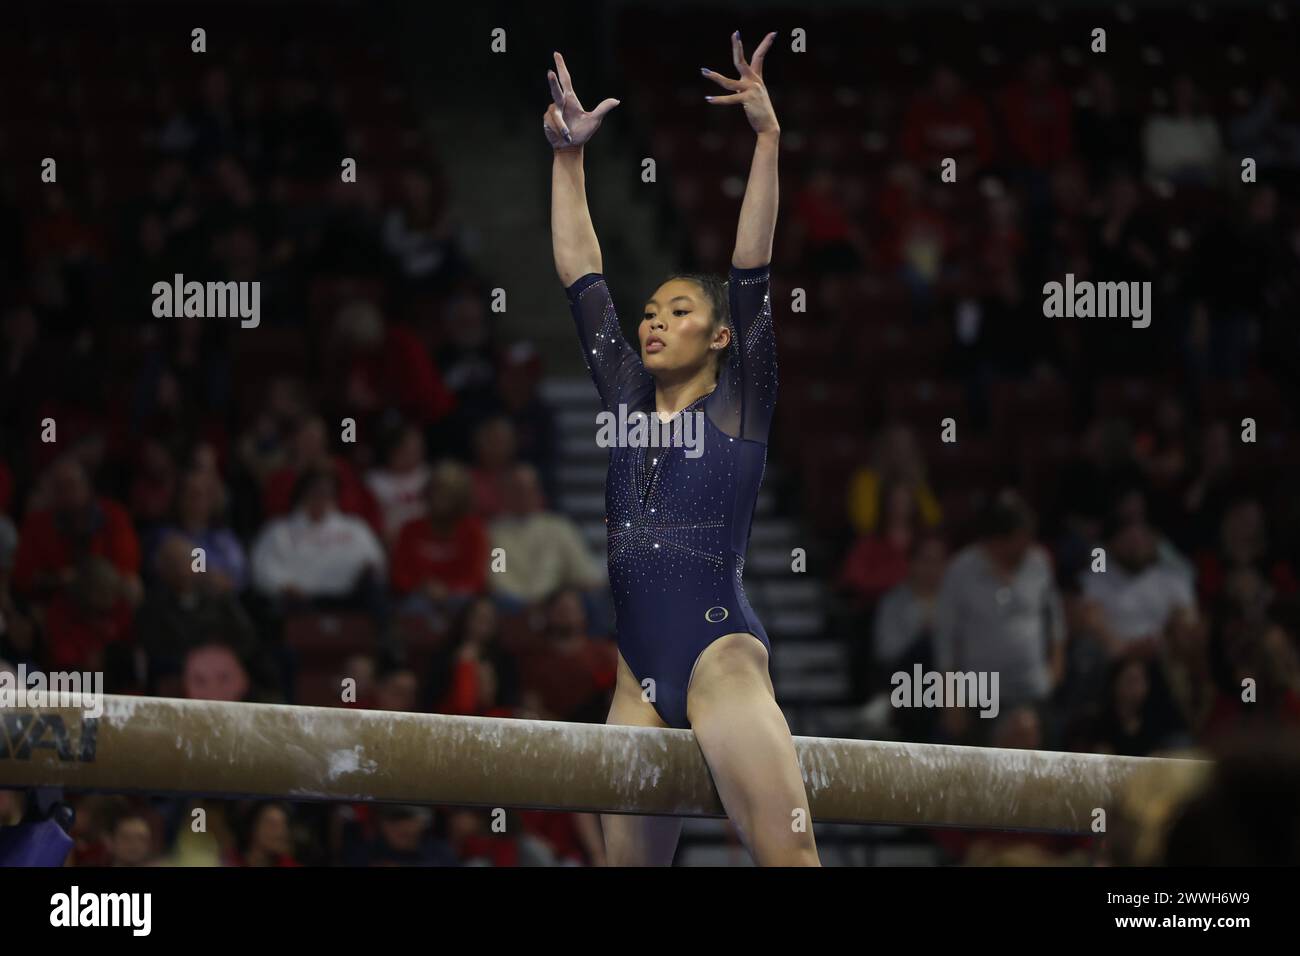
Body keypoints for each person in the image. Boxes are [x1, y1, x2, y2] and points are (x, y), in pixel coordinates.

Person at [547, 34, 817, 865]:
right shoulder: (626, 394)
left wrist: (767, 140)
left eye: (677, 310)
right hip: (636, 678)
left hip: (717, 662)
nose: (653, 320)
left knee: (791, 859)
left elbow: (751, 268)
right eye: (650, 312)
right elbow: (581, 271)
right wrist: (567, 157)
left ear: (723, 336)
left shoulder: (742, 402)